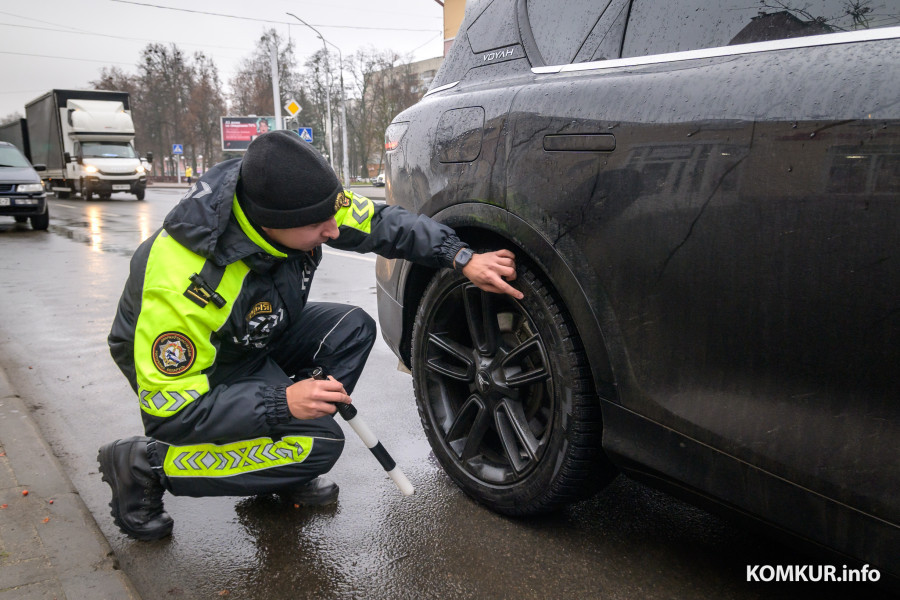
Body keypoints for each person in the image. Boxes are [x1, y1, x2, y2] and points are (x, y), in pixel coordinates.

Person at [98, 130, 522, 540]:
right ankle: (145, 465)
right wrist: (280, 402)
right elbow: (173, 412)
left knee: (350, 330)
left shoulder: (291, 195)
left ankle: (274, 467)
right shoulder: (186, 279)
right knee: (317, 444)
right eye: (320, 225)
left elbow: (378, 222)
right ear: (271, 224)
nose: (334, 232)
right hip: (202, 376)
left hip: (247, 338)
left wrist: (459, 256)